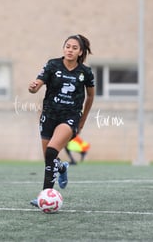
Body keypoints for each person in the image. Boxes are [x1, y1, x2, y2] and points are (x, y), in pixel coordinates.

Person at [28, 34, 95, 207]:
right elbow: (38, 84)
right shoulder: (53, 65)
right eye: (67, 46)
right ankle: (62, 167)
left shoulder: (85, 72)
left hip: (70, 117)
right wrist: (33, 87)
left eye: (74, 48)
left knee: (51, 152)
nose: (70, 50)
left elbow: (90, 97)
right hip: (49, 115)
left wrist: (82, 120)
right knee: (49, 158)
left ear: (80, 52)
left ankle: (44, 195)